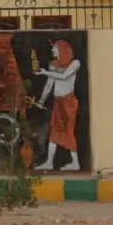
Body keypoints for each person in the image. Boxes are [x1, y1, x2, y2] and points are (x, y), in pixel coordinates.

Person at [34, 40, 82, 171]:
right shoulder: (53, 65)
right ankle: (49, 162)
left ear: (63, 49)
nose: (52, 51)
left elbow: (64, 76)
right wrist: (42, 100)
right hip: (58, 102)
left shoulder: (75, 63)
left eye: (55, 48)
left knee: (69, 131)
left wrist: (45, 73)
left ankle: (75, 163)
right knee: (54, 131)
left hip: (69, 102)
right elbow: (49, 84)